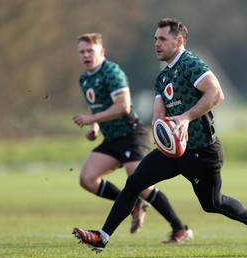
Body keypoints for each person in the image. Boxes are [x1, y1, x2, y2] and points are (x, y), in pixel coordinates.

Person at [73, 19, 247, 254]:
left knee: (212, 204)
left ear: (178, 41)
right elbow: (159, 113)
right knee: (135, 182)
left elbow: (216, 93)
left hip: (202, 152)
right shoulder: (162, 78)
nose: (156, 44)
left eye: (162, 39)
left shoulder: (191, 64)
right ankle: (102, 237)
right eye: (155, 39)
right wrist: (160, 127)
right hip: (173, 151)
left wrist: (186, 118)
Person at [73, 32, 192, 240]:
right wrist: (95, 127)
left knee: (141, 184)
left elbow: (123, 107)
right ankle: (133, 203)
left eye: (89, 51)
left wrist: (91, 119)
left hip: (131, 135)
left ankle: (180, 228)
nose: (85, 55)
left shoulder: (112, 72)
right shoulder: (84, 79)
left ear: (101, 51)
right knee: (87, 178)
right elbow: (97, 108)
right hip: (111, 139)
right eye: (81, 52)